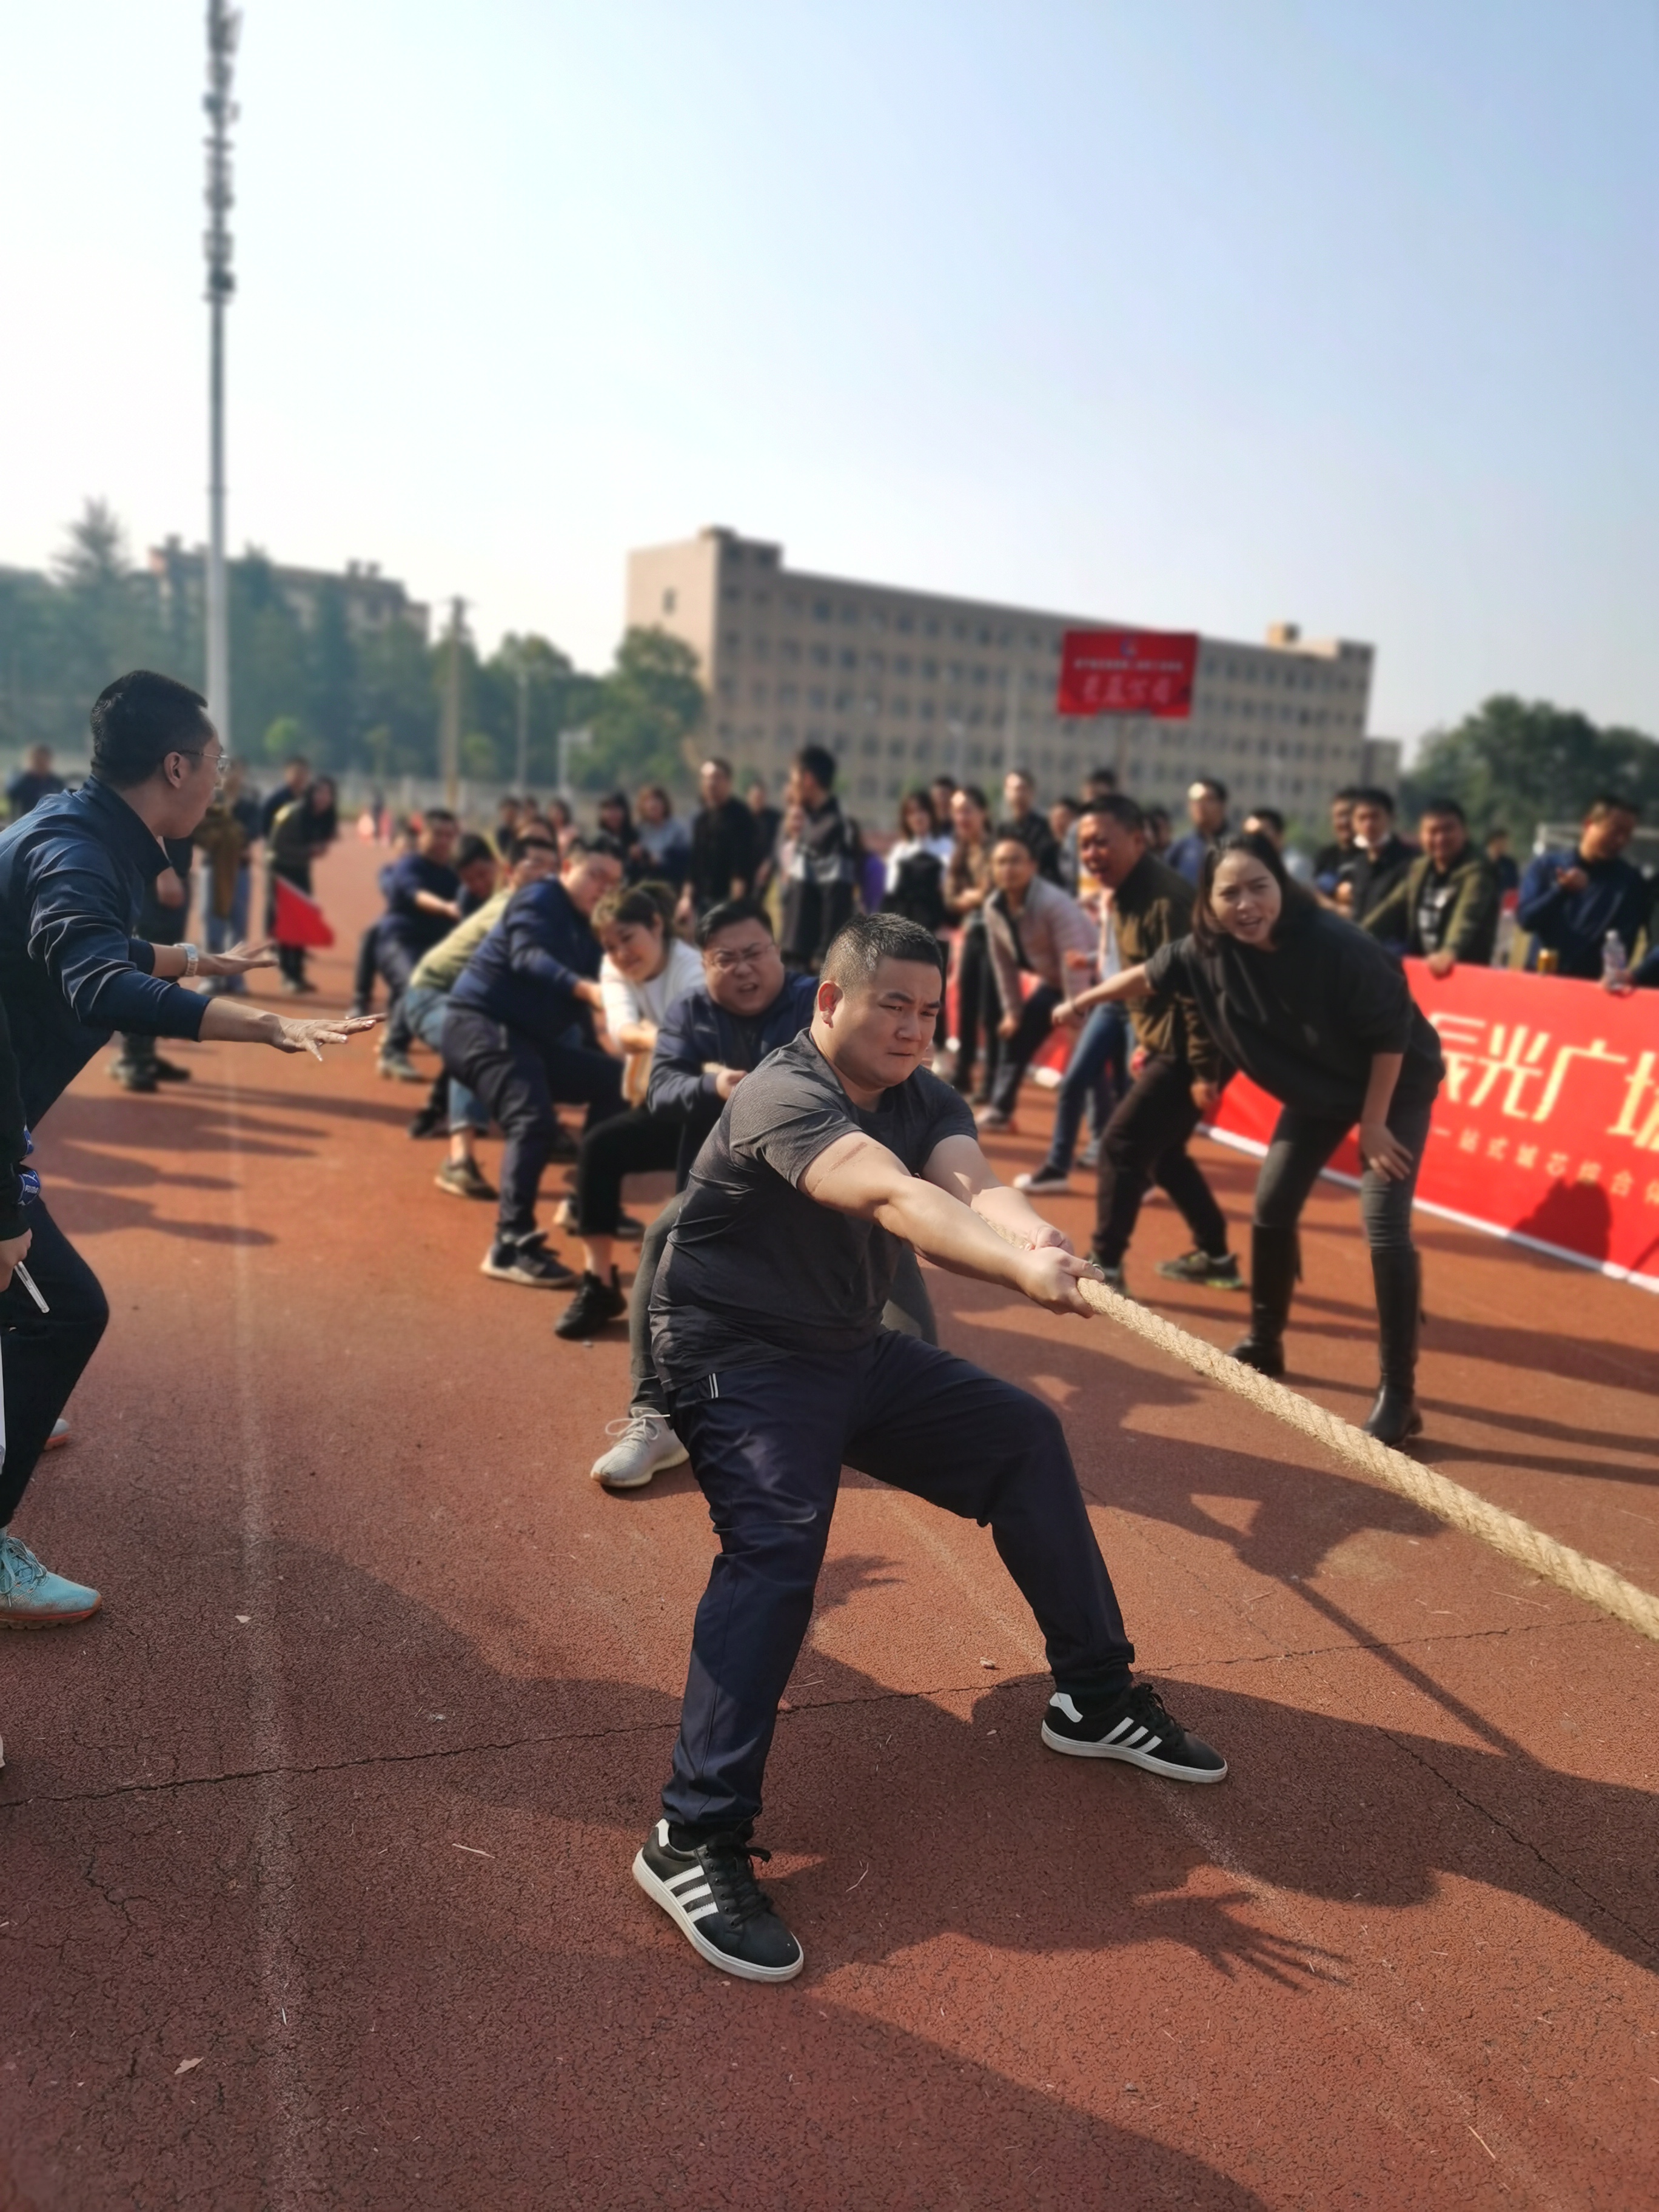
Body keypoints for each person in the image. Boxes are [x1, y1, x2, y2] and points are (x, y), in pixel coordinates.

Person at [633, 911, 1227, 1982]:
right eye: (891, 1006)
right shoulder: (784, 1093)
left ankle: (1093, 1695)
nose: (912, 1029)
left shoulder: (921, 1089)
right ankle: (692, 1833)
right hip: (737, 1358)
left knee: (1023, 1436)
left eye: (928, 1011)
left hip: (845, 1347)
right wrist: (1016, 1274)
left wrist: (1032, 1235)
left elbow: (964, 1179)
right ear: (831, 1001)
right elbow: (894, 1195)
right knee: (777, 1547)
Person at [0, 671, 374, 1623]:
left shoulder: (75, 828)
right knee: (61, 1312)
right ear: (176, 766)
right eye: (216, 761)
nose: (221, 777)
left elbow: (83, 946)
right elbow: (92, 980)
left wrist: (196, 961)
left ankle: (11, 1404)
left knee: (25, 1300)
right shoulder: (79, 851)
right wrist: (260, 1023)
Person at [1087, 831, 1444, 1446]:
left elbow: (1392, 1033)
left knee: (1384, 1223)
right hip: (1318, 1090)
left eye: (1259, 887)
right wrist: (1083, 1001)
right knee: (1271, 1206)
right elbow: (1151, 974)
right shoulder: (1207, 948)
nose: (1247, 904)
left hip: (1394, 1087)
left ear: (1283, 885)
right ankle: (1265, 1340)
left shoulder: (1336, 943)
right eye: (1230, 893)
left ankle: (1399, 1395)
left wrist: (1375, 1123)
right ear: (1209, 900)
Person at [589, 900, 820, 1489]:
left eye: (755, 953)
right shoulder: (690, 1010)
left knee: (896, 1272)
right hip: (723, 1186)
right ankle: (655, 1417)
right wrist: (714, 1084)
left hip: (821, 1181)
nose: (743, 969)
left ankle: (899, 1415)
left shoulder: (817, 1002)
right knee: (661, 1237)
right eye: (726, 959)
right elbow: (661, 1090)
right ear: (705, 964)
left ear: (777, 952)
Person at [1050, 799, 1239, 1293]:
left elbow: (1195, 988)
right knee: (1163, 1152)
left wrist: (1202, 1070)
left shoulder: (1164, 899)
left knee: (1121, 1143)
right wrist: (1148, 1041)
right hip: (1174, 1040)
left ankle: (1106, 1267)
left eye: (1101, 842)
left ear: (1138, 840)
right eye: (1084, 844)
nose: (1091, 854)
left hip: (1200, 1043)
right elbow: (1145, 979)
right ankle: (1217, 1255)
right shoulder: (1125, 892)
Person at [443, 843, 625, 1287]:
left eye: (613, 883)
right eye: (596, 875)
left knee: (616, 1082)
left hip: (529, 1041)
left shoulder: (590, 928)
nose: (603, 889)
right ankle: (509, 1244)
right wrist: (584, 989)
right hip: (480, 1025)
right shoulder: (540, 897)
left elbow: (590, 1007)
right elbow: (526, 957)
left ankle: (585, 1204)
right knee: (533, 1119)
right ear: (567, 868)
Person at [554, 880, 705, 1339]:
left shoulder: (691, 969)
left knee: (691, 1204)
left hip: (712, 1105)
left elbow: (697, 1045)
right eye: (610, 945)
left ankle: (699, 1303)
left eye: (628, 938)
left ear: (656, 925)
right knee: (599, 1147)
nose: (620, 953)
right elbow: (621, 1033)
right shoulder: (614, 968)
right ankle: (599, 1284)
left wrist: (656, 1039)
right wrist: (662, 1039)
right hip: (664, 1100)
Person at [405, 820, 561, 1193]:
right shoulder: (511, 910)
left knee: (564, 1028)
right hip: (430, 994)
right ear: (511, 872)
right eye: (534, 865)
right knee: (476, 1039)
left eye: (551, 867)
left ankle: (545, 1124)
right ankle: (459, 1161)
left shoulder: (544, 907)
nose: (544, 874)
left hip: (472, 1001)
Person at [976, 836, 1096, 1131]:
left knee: (1090, 1054)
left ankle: (1101, 1134)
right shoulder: (994, 907)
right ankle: (1001, 1112)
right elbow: (1003, 964)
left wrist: (1076, 1014)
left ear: (1033, 867)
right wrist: (1013, 1012)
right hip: (1055, 983)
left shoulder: (1053, 903)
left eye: (1016, 861)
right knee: (1016, 1035)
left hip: (1094, 982)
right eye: (1001, 862)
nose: (1008, 869)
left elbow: (1074, 960)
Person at [1359, 798, 1499, 974]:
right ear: (1421, 836)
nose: (1440, 838)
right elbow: (1391, 907)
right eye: (1433, 832)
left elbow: (1467, 916)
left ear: (1465, 832)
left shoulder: (1478, 871)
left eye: (1448, 830)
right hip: (1423, 970)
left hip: (1464, 972)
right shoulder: (1419, 868)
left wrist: (1449, 952)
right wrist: (1356, 936)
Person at [373, 809, 463, 1077]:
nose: (444, 841)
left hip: (436, 949)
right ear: (422, 835)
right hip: (399, 942)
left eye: (449, 835)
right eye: (438, 834)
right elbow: (416, 894)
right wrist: (446, 907)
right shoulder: (410, 865)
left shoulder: (454, 874)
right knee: (416, 983)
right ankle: (393, 1051)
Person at [1517, 796, 1647, 979]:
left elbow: (1625, 941)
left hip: (1589, 987)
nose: (1621, 841)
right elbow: (1526, 920)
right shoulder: (1547, 866)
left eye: (1627, 835)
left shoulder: (1629, 883)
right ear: (1588, 825)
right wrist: (1560, 891)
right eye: (1614, 831)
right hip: (1541, 979)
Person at [778, 745, 861, 973]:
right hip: (793, 950)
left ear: (808, 780)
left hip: (812, 959)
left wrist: (825, 954)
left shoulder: (834, 829)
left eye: (793, 779)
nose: (791, 787)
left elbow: (838, 897)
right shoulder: (810, 825)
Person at [942, 784, 998, 1101]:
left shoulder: (996, 848)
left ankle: (991, 1081)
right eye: (956, 811)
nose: (960, 817)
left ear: (983, 812)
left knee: (991, 1010)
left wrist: (970, 896)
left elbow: (991, 891)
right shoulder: (961, 851)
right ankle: (963, 1072)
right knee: (966, 1004)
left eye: (967, 810)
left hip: (997, 937)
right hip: (973, 933)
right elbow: (951, 897)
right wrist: (970, 897)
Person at [192, 759, 260, 988]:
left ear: (243, 774)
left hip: (240, 870)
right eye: (225, 771)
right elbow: (199, 830)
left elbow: (253, 831)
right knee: (212, 922)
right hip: (213, 867)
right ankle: (211, 977)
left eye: (235, 771)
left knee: (238, 925)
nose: (230, 776)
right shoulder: (208, 801)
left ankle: (235, 978)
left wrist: (234, 838)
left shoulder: (249, 805)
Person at [267, 776, 338, 994]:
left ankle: (298, 974)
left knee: (303, 921)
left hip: (301, 870)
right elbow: (275, 847)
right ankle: (288, 975)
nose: (323, 798)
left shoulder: (325, 817)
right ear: (310, 794)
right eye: (319, 792)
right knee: (287, 924)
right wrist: (309, 851)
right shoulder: (292, 813)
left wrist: (316, 849)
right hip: (280, 870)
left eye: (328, 793)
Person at [679, 759, 756, 924]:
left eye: (716, 777)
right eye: (706, 778)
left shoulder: (741, 816)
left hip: (729, 899)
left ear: (728, 782)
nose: (711, 783)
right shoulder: (701, 818)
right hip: (702, 899)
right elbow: (694, 862)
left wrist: (736, 904)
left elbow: (742, 864)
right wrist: (686, 898)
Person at [1333, 788, 1416, 930]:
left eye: (1375, 817)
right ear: (1353, 823)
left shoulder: (1410, 862)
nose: (1368, 824)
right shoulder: (1358, 864)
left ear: (1391, 819)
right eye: (1362, 818)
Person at [880, 788, 951, 933]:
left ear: (931, 814)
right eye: (911, 813)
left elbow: (947, 887)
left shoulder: (946, 847)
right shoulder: (900, 851)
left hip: (935, 923)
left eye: (922, 811)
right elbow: (891, 892)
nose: (918, 817)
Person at [994, 767, 1062, 884]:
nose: (1018, 795)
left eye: (1023, 789)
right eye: (1013, 790)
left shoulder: (1046, 828)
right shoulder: (1002, 830)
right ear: (1006, 793)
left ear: (1032, 793)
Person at [1166, 779, 1230, 885]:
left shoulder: (1237, 845)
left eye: (1208, 800)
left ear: (1222, 805)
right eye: (1195, 801)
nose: (1200, 806)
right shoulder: (1180, 847)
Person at [634, 784, 691, 891]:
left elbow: (684, 858)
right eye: (648, 801)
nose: (653, 805)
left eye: (657, 801)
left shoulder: (677, 829)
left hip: (672, 881)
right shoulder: (638, 831)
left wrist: (661, 860)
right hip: (646, 882)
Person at [1312, 788, 1360, 893]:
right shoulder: (1325, 857)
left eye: (1349, 815)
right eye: (1339, 816)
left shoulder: (1372, 856)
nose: (1344, 822)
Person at [260, 753, 310, 842]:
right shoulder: (275, 799)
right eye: (296, 773)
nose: (300, 777)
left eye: (303, 773)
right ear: (286, 773)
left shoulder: (309, 799)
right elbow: (264, 826)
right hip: (277, 845)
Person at [6, 743, 65, 818]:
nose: (41, 765)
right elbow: (11, 795)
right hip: (28, 821)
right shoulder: (22, 782)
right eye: (38, 761)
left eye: (44, 761)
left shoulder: (56, 783)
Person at [746, 779, 782, 894]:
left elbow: (779, 843)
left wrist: (769, 863)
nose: (758, 800)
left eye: (761, 797)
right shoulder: (742, 818)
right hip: (747, 869)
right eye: (755, 797)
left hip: (769, 868)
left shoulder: (775, 818)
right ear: (749, 797)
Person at [591, 792, 635, 871]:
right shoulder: (597, 840)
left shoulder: (634, 836)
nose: (612, 815)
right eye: (608, 810)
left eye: (616, 809)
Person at [1484, 825, 1520, 897]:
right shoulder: (1479, 863)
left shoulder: (1509, 865)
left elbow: (1513, 889)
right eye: (1501, 842)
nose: (1504, 845)